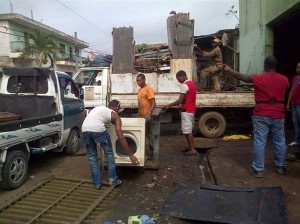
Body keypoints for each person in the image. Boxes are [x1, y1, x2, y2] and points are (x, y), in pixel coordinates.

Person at [223, 56, 289, 177]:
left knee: (260, 141)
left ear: (265, 65)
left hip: (261, 113)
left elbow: (241, 77)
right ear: (275, 66)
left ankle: (258, 169)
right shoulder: (284, 80)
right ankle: (281, 167)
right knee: (279, 140)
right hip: (278, 113)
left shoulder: (259, 78)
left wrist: (228, 70)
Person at [82, 100, 139, 189]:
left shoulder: (100, 109)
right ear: (118, 107)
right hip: (98, 129)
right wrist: (131, 155)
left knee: (92, 157)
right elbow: (121, 137)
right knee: (109, 154)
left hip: (85, 129)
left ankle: (97, 184)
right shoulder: (115, 115)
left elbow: (85, 114)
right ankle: (113, 180)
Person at [163, 70, 197, 156]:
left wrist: (169, 105)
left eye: (178, 79)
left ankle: (192, 150)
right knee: (187, 130)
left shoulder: (184, 85)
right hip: (191, 109)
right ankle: (189, 147)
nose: (178, 81)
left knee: (187, 131)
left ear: (183, 76)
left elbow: (180, 100)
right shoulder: (191, 83)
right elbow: (186, 99)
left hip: (187, 110)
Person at [136, 74, 156, 156]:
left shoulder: (148, 89)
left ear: (144, 80)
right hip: (141, 116)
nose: (138, 82)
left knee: (149, 134)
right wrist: (139, 114)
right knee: (142, 134)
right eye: (137, 81)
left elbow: (153, 103)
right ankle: (142, 152)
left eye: (139, 80)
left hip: (146, 116)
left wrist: (149, 113)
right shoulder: (140, 90)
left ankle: (154, 151)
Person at [286, 62, 300, 159]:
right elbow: (291, 90)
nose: (298, 68)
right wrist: (288, 103)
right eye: (297, 67)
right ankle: (297, 144)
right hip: (294, 105)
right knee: (297, 127)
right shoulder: (295, 78)